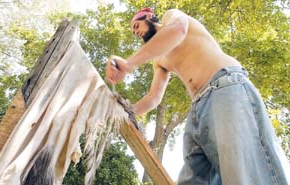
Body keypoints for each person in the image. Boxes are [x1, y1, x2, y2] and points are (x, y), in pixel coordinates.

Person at [105, 7, 290, 185]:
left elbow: (178, 30)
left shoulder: (172, 17)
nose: (135, 32)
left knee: (245, 172)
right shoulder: (159, 59)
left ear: (150, 17)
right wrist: (127, 112)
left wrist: (129, 64)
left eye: (137, 26)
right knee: (193, 179)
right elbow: (154, 97)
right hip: (197, 110)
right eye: (133, 31)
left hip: (225, 87)